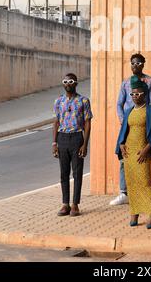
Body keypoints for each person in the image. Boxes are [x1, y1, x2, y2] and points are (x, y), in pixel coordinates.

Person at [115, 75, 151, 228]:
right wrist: (121, 144)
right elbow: (124, 130)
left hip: (143, 151)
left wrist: (146, 150)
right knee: (131, 183)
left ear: (145, 94)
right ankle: (134, 212)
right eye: (133, 94)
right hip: (129, 152)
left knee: (145, 182)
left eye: (138, 94)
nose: (135, 96)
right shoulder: (129, 111)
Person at [109, 53, 151, 206]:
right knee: (124, 157)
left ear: (143, 64)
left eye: (138, 63)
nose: (135, 66)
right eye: (132, 63)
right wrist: (124, 121)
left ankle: (143, 192)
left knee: (142, 157)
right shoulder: (125, 84)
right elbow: (119, 104)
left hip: (142, 124)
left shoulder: (150, 81)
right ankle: (124, 193)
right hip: (127, 125)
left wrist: (148, 124)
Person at [52, 73, 93, 217]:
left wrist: (85, 144)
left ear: (76, 83)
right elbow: (56, 122)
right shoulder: (58, 101)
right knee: (63, 173)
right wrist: (54, 143)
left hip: (77, 138)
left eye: (70, 81)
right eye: (65, 81)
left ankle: (75, 204)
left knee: (77, 173)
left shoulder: (83, 101)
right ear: (63, 84)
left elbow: (88, 122)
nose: (67, 83)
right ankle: (65, 204)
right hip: (62, 138)